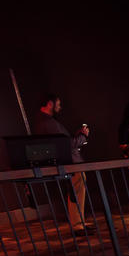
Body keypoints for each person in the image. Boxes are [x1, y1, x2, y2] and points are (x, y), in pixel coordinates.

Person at [34, 93, 93, 236]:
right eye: (58, 104)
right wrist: (82, 136)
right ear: (50, 104)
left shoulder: (44, 122)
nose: (60, 107)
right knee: (76, 193)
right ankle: (78, 225)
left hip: (69, 164)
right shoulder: (48, 123)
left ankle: (79, 222)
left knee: (76, 193)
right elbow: (66, 145)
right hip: (71, 164)